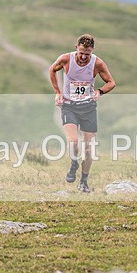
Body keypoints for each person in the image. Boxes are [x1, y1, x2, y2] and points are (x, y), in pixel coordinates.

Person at [48, 34, 116, 192]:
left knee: (88, 149)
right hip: (69, 106)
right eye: (81, 53)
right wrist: (57, 92)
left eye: (88, 54)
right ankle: (74, 164)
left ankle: (84, 181)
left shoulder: (97, 63)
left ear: (92, 51)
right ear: (76, 48)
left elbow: (111, 82)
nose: (84, 57)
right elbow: (52, 70)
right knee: (73, 141)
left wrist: (99, 91)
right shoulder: (66, 59)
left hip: (88, 107)